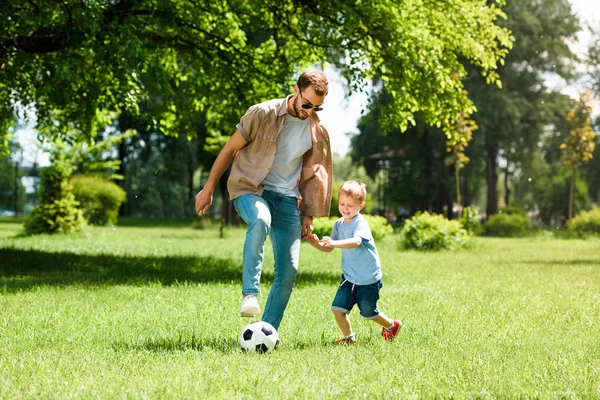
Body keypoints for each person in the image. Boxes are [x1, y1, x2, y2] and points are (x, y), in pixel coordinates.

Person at [195, 69, 333, 330]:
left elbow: (315, 174)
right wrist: (208, 188)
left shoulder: (318, 130)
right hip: (251, 188)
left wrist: (309, 214)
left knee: (289, 271)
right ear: (295, 90)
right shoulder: (262, 113)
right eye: (306, 104)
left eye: (317, 107)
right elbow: (230, 148)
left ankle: (266, 332)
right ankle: (250, 294)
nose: (309, 111)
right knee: (260, 219)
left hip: (288, 200)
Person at [307, 180, 402, 343]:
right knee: (337, 309)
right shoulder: (338, 224)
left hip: (367, 278)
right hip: (349, 277)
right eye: (342, 204)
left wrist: (334, 243)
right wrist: (317, 244)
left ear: (361, 206)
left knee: (368, 313)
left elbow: (356, 241)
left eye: (350, 205)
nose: (345, 208)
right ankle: (349, 338)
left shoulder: (360, 223)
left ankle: (391, 325)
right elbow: (329, 248)